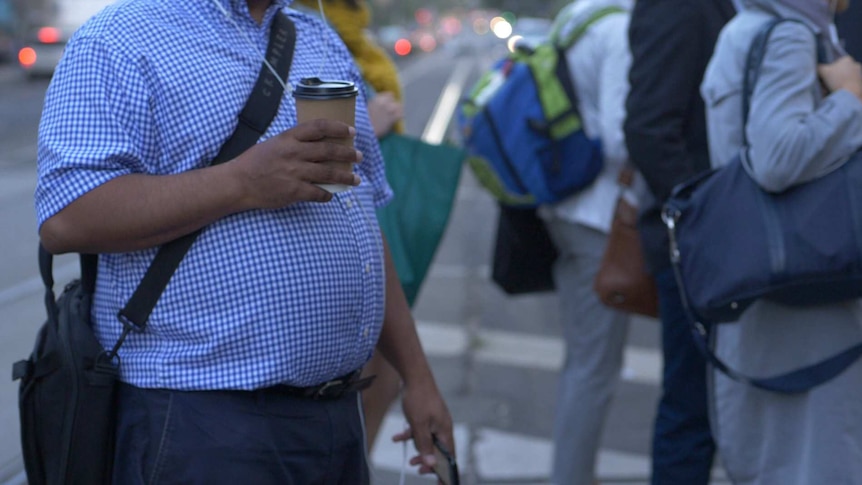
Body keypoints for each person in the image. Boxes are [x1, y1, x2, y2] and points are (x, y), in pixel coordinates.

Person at [34, 0, 453, 482]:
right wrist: (243, 183)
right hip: (202, 423)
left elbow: (359, 216)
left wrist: (418, 378)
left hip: (335, 415)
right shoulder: (120, 38)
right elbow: (67, 217)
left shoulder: (316, 36)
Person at [700, 0, 862, 483]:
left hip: (759, 276)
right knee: (819, 455)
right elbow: (777, 156)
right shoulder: (791, 36)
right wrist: (852, 97)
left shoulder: (745, 26)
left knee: (772, 453)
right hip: (810, 291)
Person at [624, 0, 735, 483]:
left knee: (725, 408)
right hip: (701, 242)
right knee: (692, 408)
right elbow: (649, 128)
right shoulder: (675, 6)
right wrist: (708, 219)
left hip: (732, 241)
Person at [293, 0, 406, 452]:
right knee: (375, 369)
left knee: (382, 367)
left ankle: (361, 456)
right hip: (318, 222)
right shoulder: (315, 29)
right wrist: (371, 127)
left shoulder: (339, 33)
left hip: (365, 211)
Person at [537, 1, 635, 484]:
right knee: (594, 369)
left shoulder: (577, 16)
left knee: (582, 361)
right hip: (598, 216)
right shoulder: (618, 28)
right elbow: (620, 137)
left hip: (562, 205)